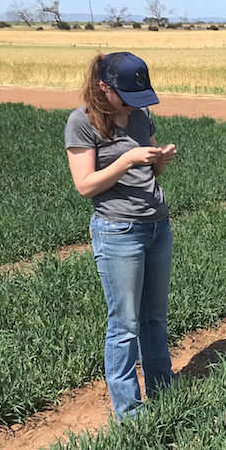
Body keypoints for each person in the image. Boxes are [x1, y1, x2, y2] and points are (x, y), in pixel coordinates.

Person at [64, 52, 177, 422]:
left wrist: (160, 158)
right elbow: (85, 185)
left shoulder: (142, 115)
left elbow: (153, 173)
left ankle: (164, 387)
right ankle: (129, 410)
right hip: (119, 231)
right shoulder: (82, 123)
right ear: (104, 87)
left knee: (154, 318)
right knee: (125, 323)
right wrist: (126, 160)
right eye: (127, 96)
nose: (134, 104)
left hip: (157, 225)